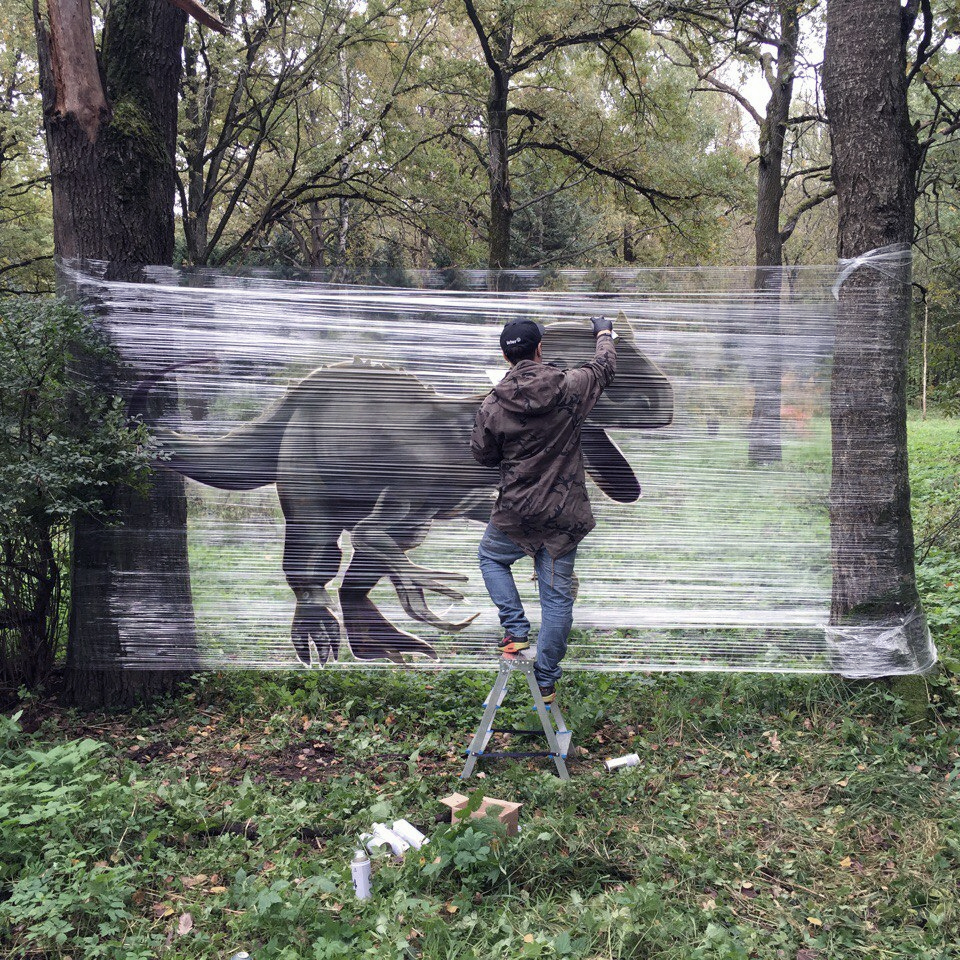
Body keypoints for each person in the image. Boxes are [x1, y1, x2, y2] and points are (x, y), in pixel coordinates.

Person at [470, 315, 616, 703]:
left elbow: (483, 455)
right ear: (539, 349)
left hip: (515, 513)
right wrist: (603, 332)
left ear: (505, 355)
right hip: (562, 516)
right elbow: (604, 367)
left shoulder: (492, 403)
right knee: (556, 600)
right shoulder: (569, 386)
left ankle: (515, 630)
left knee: (490, 558)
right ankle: (546, 679)